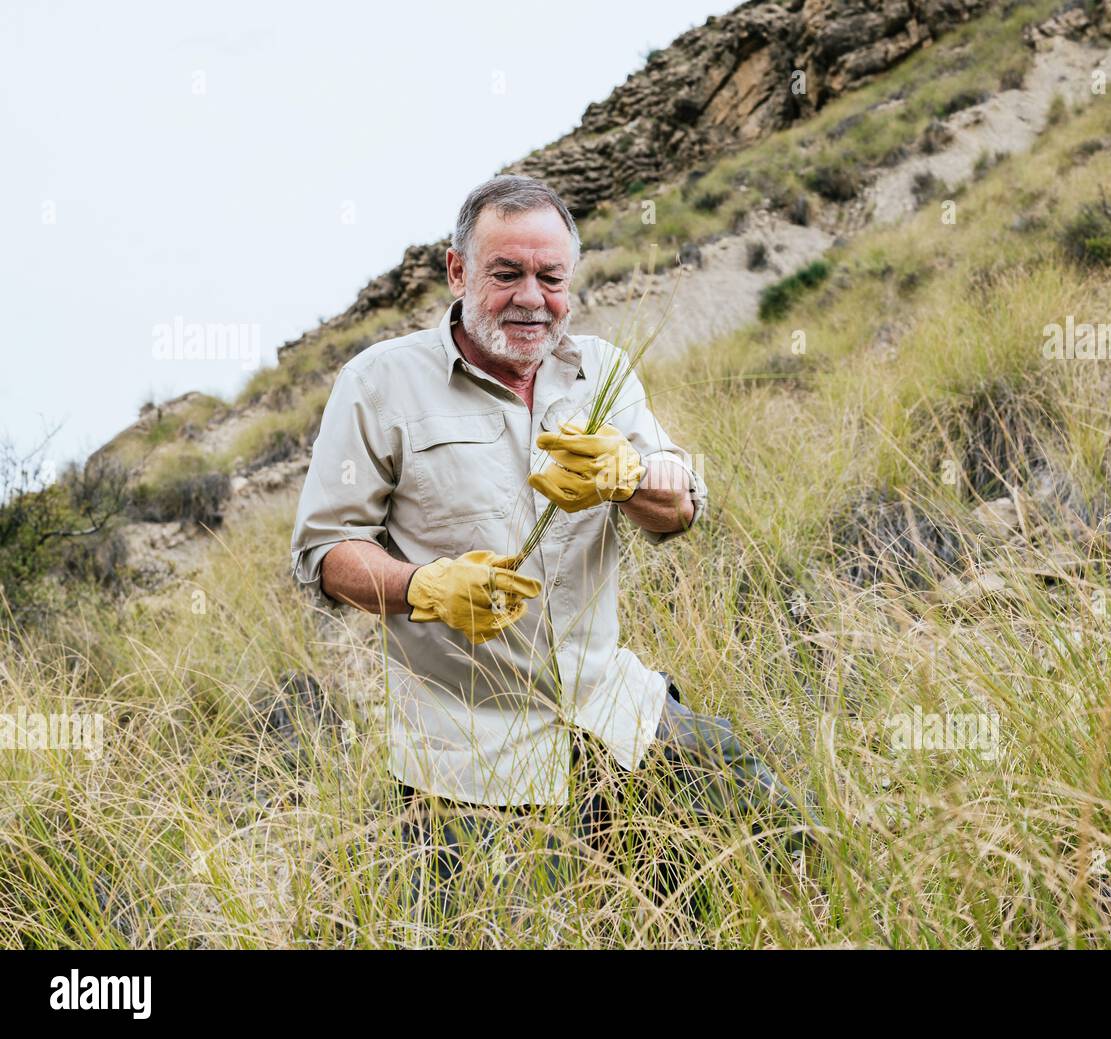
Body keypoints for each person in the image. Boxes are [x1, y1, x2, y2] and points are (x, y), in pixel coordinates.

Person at [289, 174, 820, 924]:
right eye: (506, 274)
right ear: (458, 271)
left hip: (615, 710)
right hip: (467, 754)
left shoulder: (601, 371)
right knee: (499, 930)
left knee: (780, 839)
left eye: (551, 277)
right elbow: (324, 548)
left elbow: (680, 502)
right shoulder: (378, 383)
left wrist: (629, 477)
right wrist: (424, 587)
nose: (531, 298)